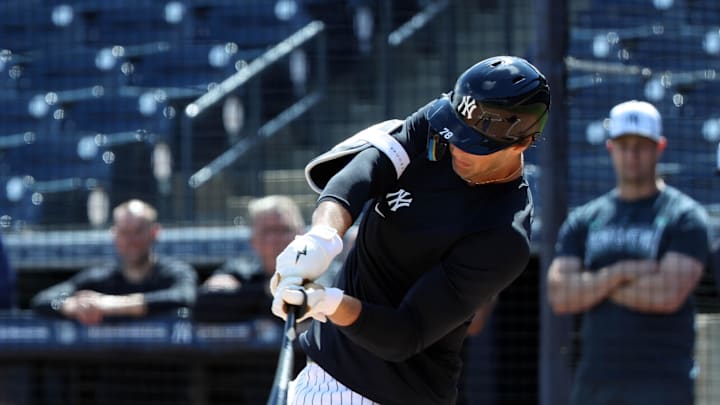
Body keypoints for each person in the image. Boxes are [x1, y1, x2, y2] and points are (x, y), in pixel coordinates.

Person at [269, 55, 551, 404]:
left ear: (522, 143)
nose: (458, 146)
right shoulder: (442, 124)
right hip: (326, 374)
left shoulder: (504, 235)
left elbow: (405, 333)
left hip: (386, 393)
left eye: (476, 142)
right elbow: (365, 169)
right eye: (455, 131)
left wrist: (325, 301)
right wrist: (322, 237)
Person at [547, 100, 710, 405]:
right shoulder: (585, 219)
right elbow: (561, 296)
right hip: (596, 382)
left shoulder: (684, 216)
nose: (632, 155)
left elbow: (667, 294)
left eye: (641, 146)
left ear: (660, 147)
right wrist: (621, 273)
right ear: (610, 148)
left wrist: (592, 285)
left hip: (662, 383)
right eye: (624, 145)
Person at [31, 199, 197, 323]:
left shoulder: (175, 271)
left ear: (154, 232)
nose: (131, 240)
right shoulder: (100, 277)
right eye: (124, 233)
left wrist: (110, 305)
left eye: (138, 231)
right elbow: (43, 300)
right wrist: (71, 306)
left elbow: (185, 296)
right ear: (114, 235)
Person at [193, 195, 306, 323]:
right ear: (253, 240)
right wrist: (267, 290)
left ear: (301, 234)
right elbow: (204, 306)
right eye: (267, 231)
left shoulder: (321, 268)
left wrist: (243, 296)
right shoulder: (240, 271)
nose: (276, 239)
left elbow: (310, 307)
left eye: (285, 230)